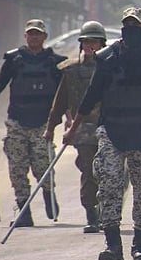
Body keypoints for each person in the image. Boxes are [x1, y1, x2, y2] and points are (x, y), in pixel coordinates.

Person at [64, 7, 141, 260]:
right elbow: (91, 95)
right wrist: (73, 128)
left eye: (135, 25)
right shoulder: (107, 57)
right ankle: (113, 245)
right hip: (112, 130)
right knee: (109, 186)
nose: (130, 29)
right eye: (127, 24)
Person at [0, 19, 65, 227]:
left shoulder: (54, 62)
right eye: (31, 34)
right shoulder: (15, 60)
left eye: (38, 34)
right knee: (17, 166)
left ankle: (48, 193)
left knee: (43, 165)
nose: (34, 37)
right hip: (17, 121)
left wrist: (67, 115)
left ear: (44, 37)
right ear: (26, 36)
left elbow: (63, 93)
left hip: (43, 123)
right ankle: (24, 209)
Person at [43, 21, 106, 233]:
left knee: (110, 174)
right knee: (89, 171)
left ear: (102, 43)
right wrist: (51, 127)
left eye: (95, 42)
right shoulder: (71, 71)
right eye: (87, 42)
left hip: (110, 129)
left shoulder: (113, 68)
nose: (91, 46)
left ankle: (107, 212)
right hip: (83, 130)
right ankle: (91, 214)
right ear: (81, 44)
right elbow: (60, 102)